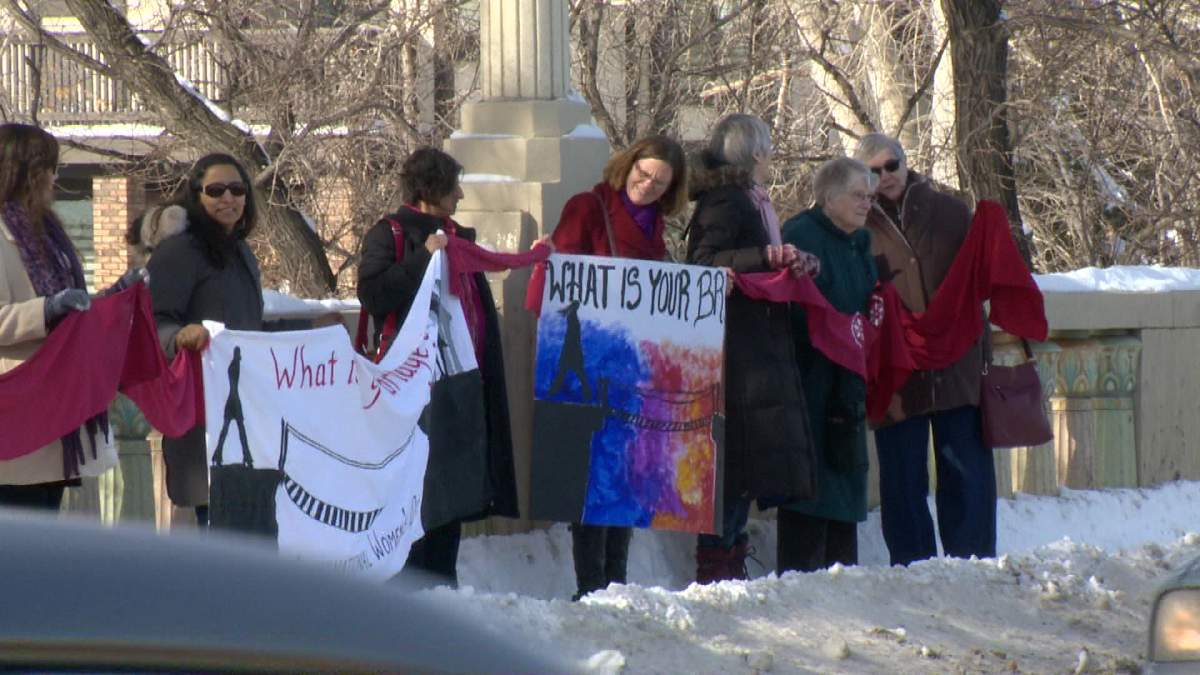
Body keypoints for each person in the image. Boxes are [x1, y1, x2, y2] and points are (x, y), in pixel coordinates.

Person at [357, 147, 531, 588]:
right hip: (415, 386)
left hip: (462, 381)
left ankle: (441, 580)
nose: (460, 193)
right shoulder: (389, 234)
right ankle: (413, 584)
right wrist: (424, 258)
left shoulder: (459, 236)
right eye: (453, 185)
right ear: (429, 189)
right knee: (420, 489)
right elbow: (374, 295)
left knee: (452, 488)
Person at [549, 135, 688, 600]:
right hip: (591, 363)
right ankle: (590, 588)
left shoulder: (657, 230)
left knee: (631, 474)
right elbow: (561, 281)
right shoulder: (588, 208)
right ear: (626, 166)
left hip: (637, 370)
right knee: (593, 477)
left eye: (659, 182)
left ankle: (616, 583)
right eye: (642, 173)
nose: (647, 186)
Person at [684, 114, 820, 583]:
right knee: (733, 466)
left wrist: (795, 262)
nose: (773, 155)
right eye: (768, 147)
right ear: (756, 153)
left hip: (754, 347)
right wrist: (765, 257)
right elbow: (701, 265)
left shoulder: (750, 201)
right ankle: (717, 569)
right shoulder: (728, 201)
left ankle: (729, 561)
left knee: (744, 466)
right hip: (735, 352)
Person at [854, 133, 995, 566]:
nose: (885, 177)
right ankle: (913, 569)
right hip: (895, 372)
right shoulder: (856, 220)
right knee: (902, 480)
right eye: (874, 172)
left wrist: (980, 351)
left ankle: (972, 564)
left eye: (890, 166)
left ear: (904, 162)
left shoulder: (949, 210)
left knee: (966, 473)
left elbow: (980, 279)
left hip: (955, 364)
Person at [0, 123, 119, 509]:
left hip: (52, 409)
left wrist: (111, 299)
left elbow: (70, 302)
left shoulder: (48, 232)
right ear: (24, 173)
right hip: (14, 413)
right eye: (49, 167)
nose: (54, 177)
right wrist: (47, 310)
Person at [147, 153, 265, 528]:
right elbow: (153, 322)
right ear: (196, 195)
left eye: (237, 189)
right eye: (215, 190)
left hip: (245, 400)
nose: (228, 198)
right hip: (199, 402)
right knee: (216, 518)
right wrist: (180, 337)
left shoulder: (240, 250)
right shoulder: (179, 252)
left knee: (248, 523)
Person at [777, 157, 878, 572]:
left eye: (870, 197)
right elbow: (792, 304)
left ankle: (843, 584)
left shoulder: (861, 241)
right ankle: (802, 587)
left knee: (845, 481)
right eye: (858, 195)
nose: (866, 204)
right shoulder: (801, 235)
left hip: (848, 386)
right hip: (809, 383)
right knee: (811, 489)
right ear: (829, 196)